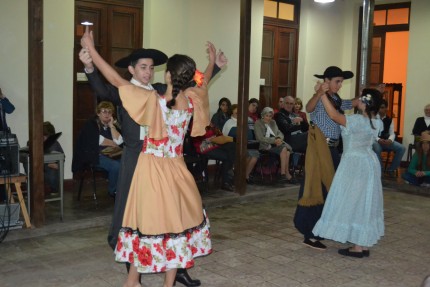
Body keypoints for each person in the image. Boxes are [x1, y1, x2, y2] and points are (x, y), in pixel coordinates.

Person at [79, 37, 226, 287]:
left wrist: (93, 49)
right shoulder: (187, 99)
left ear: (167, 76)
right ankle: (142, 276)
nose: (149, 72)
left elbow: (115, 79)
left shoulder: (155, 97)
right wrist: (212, 64)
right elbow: (197, 83)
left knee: (145, 222)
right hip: (166, 166)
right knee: (165, 221)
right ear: (132, 69)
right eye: (143, 67)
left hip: (152, 166)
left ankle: (136, 279)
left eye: (152, 67)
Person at [312, 88, 384, 258]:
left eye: (359, 98)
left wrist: (322, 94)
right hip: (369, 162)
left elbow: (333, 115)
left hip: (355, 163)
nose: (356, 99)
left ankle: (358, 247)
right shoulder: (377, 121)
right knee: (365, 201)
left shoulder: (357, 120)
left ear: (364, 102)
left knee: (353, 200)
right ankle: (362, 243)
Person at [294, 66, 359, 250]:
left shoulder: (335, 99)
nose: (340, 85)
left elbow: (349, 103)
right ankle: (310, 234)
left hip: (332, 151)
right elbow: (308, 107)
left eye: (341, 82)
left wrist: (367, 96)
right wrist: (318, 94)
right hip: (320, 150)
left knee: (330, 191)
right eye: (337, 81)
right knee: (317, 189)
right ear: (327, 81)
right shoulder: (321, 98)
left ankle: (320, 229)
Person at [72, 101, 123, 197]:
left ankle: (122, 189)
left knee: (126, 163)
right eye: (104, 111)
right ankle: (113, 191)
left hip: (109, 155)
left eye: (109, 112)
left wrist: (112, 126)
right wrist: (114, 144)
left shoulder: (111, 125)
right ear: (98, 113)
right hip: (94, 156)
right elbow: (99, 140)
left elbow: (119, 141)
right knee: (116, 166)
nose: (107, 114)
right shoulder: (91, 124)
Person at [254, 107, 294, 183]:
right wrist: (274, 140)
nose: (268, 118)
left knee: (287, 151)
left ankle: (285, 174)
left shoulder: (273, 122)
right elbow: (260, 138)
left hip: (277, 144)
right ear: (263, 115)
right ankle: (284, 174)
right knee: (285, 149)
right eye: (267, 116)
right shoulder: (258, 123)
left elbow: (279, 133)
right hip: (265, 145)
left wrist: (279, 138)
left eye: (270, 116)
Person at [192, 123, 236, 191]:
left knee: (232, 146)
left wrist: (220, 136)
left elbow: (219, 134)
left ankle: (228, 175)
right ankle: (226, 180)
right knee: (228, 157)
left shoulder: (210, 122)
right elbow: (198, 137)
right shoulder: (196, 123)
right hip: (204, 146)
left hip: (216, 144)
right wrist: (212, 138)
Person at [222, 104, 259, 184]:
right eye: (236, 112)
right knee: (246, 154)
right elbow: (226, 137)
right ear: (232, 112)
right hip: (232, 147)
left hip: (245, 145)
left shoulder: (244, 122)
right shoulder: (229, 122)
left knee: (255, 155)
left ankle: (245, 176)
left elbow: (249, 136)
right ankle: (238, 175)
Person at [372, 99, 406, 176]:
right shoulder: (373, 118)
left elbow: (392, 133)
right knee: (377, 148)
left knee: (402, 148)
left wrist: (390, 140)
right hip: (375, 141)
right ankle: (380, 169)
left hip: (386, 141)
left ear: (386, 108)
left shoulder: (389, 120)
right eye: (380, 107)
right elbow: (371, 133)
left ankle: (391, 169)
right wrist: (379, 139)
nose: (381, 109)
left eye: (383, 107)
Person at [43, 121, 64, 194]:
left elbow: (56, 165)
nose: (45, 138)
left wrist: (46, 164)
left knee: (51, 173)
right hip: (43, 166)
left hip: (49, 169)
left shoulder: (54, 144)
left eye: (47, 136)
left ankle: (54, 189)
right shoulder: (36, 142)